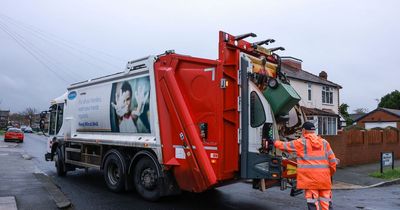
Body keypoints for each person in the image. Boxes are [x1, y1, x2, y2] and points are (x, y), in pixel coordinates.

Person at [274, 122, 337, 210]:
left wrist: (274, 142)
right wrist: (329, 174)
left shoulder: (301, 143)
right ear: (313, 131)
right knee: (326, 202)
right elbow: (333, 161)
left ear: (303, 130)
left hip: (310, 180)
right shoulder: (324, 143)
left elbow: (285, 146)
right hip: (324, 179)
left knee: (313, 203)